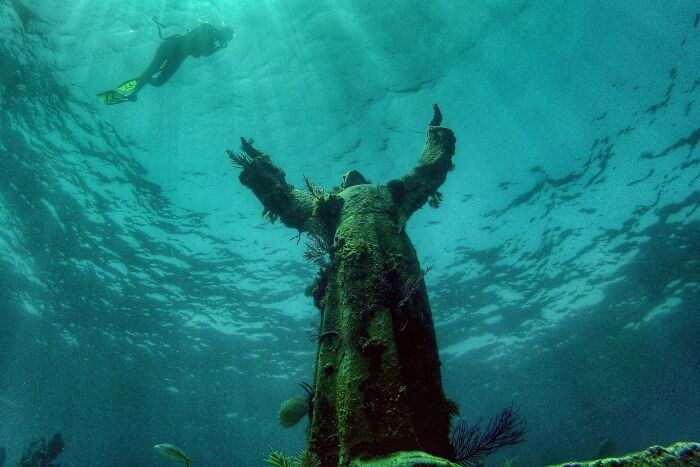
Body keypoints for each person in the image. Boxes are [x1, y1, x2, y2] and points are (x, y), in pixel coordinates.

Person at [97, 23, 233, 105]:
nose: (224, 40)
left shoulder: (213, 42)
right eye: (226, 37)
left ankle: (143, 80)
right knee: (152, 69)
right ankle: (134, 92)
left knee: (158, 83)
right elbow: (201, 47)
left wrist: (219, 47)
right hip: (172, 46)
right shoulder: (209, 28)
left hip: (178, 57)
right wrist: (218, 43)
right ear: (224, 32)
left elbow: (202, 53)